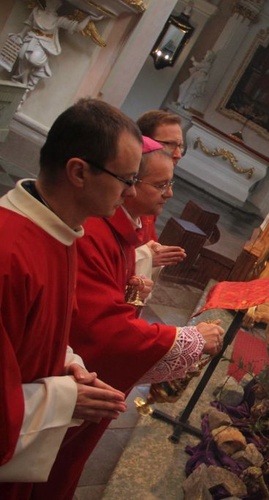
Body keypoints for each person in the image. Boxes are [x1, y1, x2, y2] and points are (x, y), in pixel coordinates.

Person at [34, 138, 226, 499]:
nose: (169, 193)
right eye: (161, 183)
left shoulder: (119, 227)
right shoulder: (89, 230)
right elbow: (101, 329)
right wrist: (191, 339)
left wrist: (136, 281)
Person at [0, 99, 134, 495]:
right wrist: (64, 401)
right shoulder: (8, 251)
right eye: (126, 179)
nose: (130, 192)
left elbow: (32, 332)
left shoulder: (59, 233)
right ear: (79, 172)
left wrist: (67, 362)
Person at [135, 110, 187, 277]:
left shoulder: (152, 195)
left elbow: (145, 240)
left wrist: (154, 250)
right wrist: (146, 257)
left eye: (180, 146)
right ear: (145, 141)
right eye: (170, 144)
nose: (178, 154)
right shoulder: (133, 187)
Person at [8, 0, 99, 92]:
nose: (51, 4)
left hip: (44, 43)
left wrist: (89, 18)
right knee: (22, 57)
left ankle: (41, 70)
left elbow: (77, 27)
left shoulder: (58, 20)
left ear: (58, 5)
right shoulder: (36, 12)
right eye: (50, 1)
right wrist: (21, 34)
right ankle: (20, 83)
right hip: (31, 38)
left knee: (33, 59)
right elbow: (28, 25)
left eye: (54, 3)